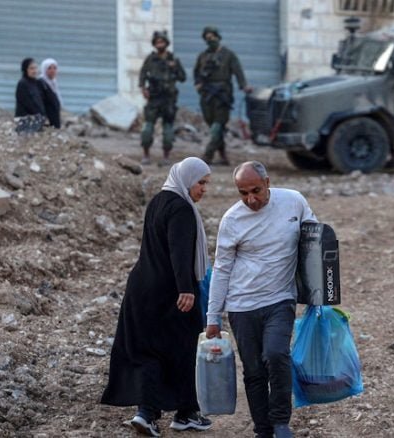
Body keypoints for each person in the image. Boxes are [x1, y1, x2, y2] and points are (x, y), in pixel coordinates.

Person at [101, 157, 214, 437]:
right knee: (184, 348)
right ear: (187, 180)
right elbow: (179, 252)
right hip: (170, 291)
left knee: (148, 351)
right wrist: (186, 289)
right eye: (200, 183)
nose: (204, 189)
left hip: (141, 287)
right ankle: (183, 413)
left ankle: (149, 413)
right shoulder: (182, 209)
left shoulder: (158, 201)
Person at [206, 161, 316, 438]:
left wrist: (320, 294)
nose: (250, 199)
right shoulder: (232, 220)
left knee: (276, 355)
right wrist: (213, 316)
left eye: (256, 191)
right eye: (243, 193)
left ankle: (280, 422)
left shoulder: (293, 202)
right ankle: (263, 430)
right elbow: (221, 268)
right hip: (241, 306)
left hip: (280, 299)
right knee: (254, 371)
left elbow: (315, 241)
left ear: (268, 183)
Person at [194, 26, 252, 166]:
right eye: (207, 38)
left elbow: (238, 71)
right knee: (212, 125)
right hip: (207, 95)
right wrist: (198, 84)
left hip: (222, 95)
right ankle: (223, 156)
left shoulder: (228, 55)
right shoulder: (203, 56)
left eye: (213, 37)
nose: (210, 40)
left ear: (218, 37)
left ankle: (207, 156)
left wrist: (244, 86)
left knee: (218, 126)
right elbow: (196, 72)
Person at [139, 30, 186, 166]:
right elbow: (143, 74)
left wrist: (175, 68)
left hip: (168, 100)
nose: (160, 44)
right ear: (154, 44)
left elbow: (182, 77)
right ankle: (146, 154)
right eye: (157, 42)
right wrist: (143, 88)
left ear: (166, 43)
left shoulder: (173, 60)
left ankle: (166, 156)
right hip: (154, 98)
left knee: (168, 131)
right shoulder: (150, 59)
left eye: (162, 41)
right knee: (147, 129)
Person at [39, 58, 62, 128]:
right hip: (47, 120)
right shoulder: (40, 83)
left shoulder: (53, 82)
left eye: (55, 68)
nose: (52, 70)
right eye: (49, 68)